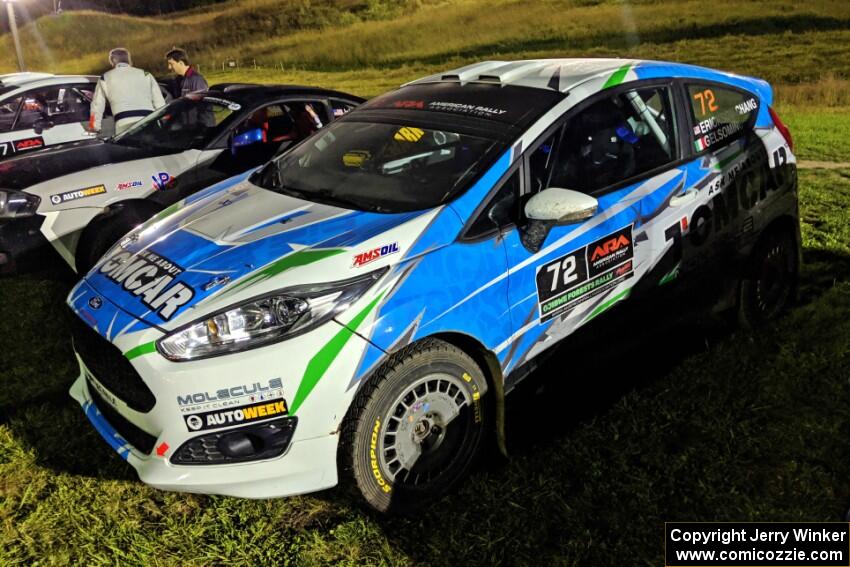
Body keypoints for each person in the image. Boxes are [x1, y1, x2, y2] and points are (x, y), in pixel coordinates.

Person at [89, 48, 165, 135]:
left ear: (113, 61)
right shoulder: (145, 74)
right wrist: (164, 120)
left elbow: (97, 105)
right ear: (129, 59)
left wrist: (94, 127)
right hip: (149, 120)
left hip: (124, 123)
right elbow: (159, 100)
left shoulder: (105, 77)